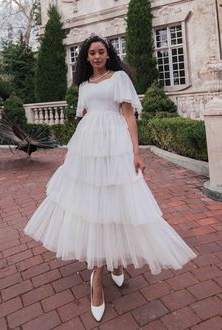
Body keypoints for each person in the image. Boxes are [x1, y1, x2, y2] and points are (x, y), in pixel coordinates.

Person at [24, 35, 196, 322]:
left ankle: (115, 261)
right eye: (91, 52)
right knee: (93, 206)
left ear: (108, 53)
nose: (96, 56)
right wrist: (75, 154)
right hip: (89, 148)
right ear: (86, 57)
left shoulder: (119, 78)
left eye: (101, 51)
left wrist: (135, 153)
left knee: (118, 203)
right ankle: (97, 276)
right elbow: (86, 118)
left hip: (115, 146)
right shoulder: (82, 85)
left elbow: (128, 116)